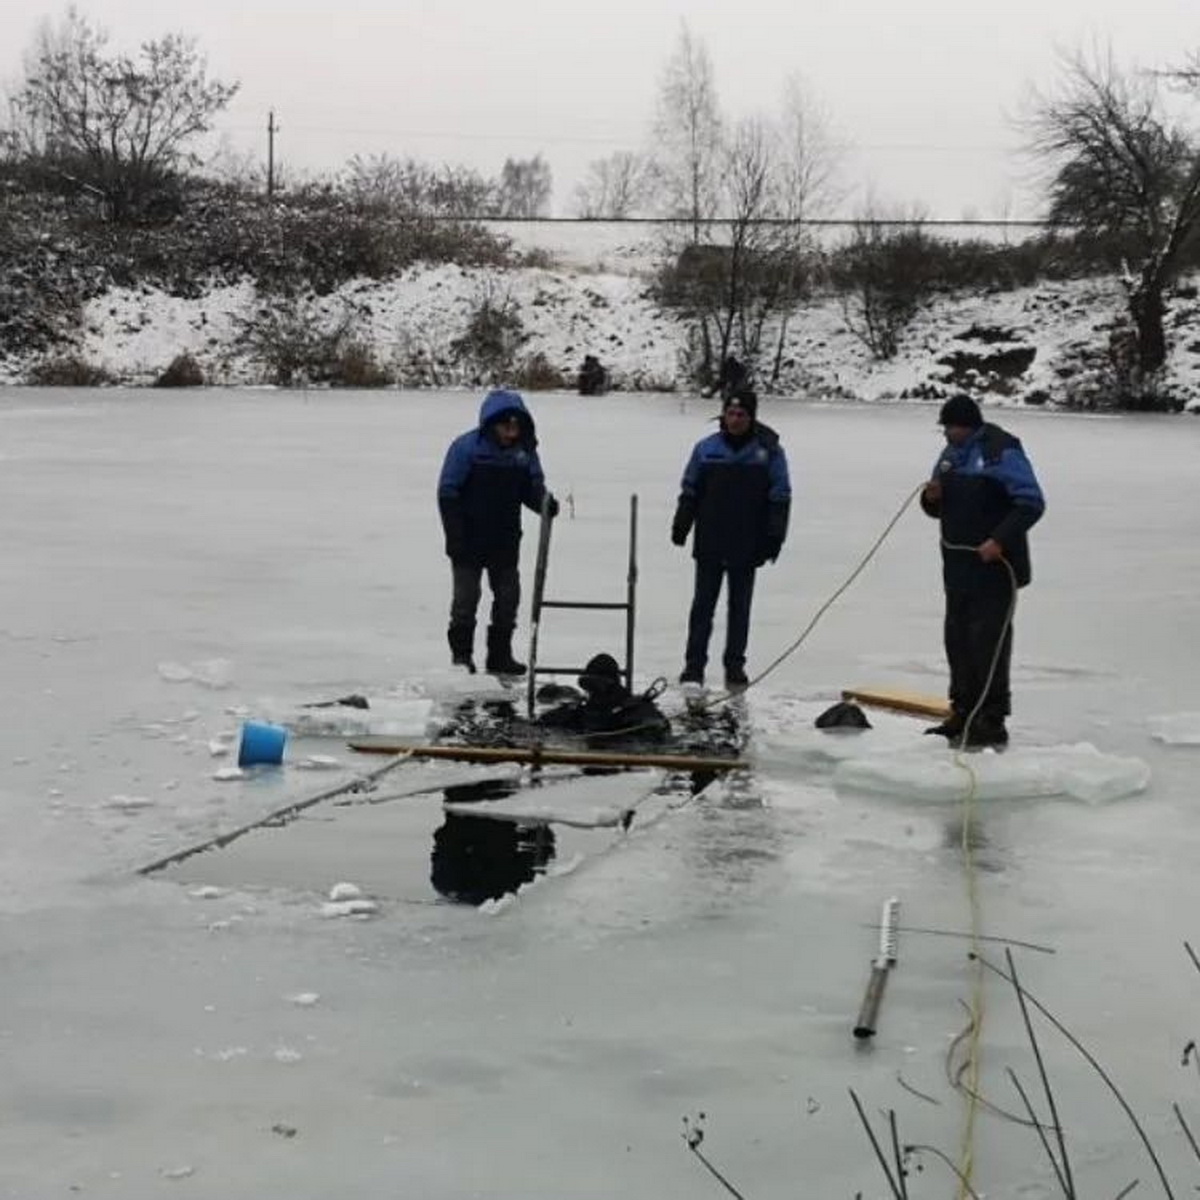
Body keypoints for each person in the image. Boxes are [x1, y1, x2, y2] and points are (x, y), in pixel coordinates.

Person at [919, 393, 1045, 749]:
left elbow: (1031, 503)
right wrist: (931, 498)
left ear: (968, 425)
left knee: (987, 643)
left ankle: (991, 718)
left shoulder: (1000, 450)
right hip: (958, 568)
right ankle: (963, 711)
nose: (946, 434)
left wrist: (999, 540)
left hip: (995, 570)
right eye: (944, 428)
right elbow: (936, 510)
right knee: (957, 641)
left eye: (951, 427)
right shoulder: (950, 457)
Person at [670, 386, 791, 689]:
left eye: (742, 415)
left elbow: (780, 494)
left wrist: (775, 535)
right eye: (731, 413)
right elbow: (690, 489)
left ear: (752, 418)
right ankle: (693, 667)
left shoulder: (768, 451)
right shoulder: (706, 449)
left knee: (740, 609)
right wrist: (682, 523)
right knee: (702, 607)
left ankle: (735, 667)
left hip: (747, 543)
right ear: (723, 415)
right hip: (710, 539)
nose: (735, 419)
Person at [437, 388, 558, 676]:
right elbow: (447, 492)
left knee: (508, 599)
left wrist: (544, 503)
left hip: (505, 540)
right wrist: (454, 536)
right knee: (465, 602)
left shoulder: (524, 453)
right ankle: (462, 658)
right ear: (492, 424)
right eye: (506, 426)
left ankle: (500, 655)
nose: (511, 433)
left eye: (516, 427)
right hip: (468, 539)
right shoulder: (466, 449)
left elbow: (531, 489)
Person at [537, 653, 670, 744]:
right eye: (588, 687)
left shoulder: (637, 712)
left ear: (612, 686)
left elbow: (660, 733)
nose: (593, 694)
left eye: (597, 687)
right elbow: (539, 726)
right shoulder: (578, 713)